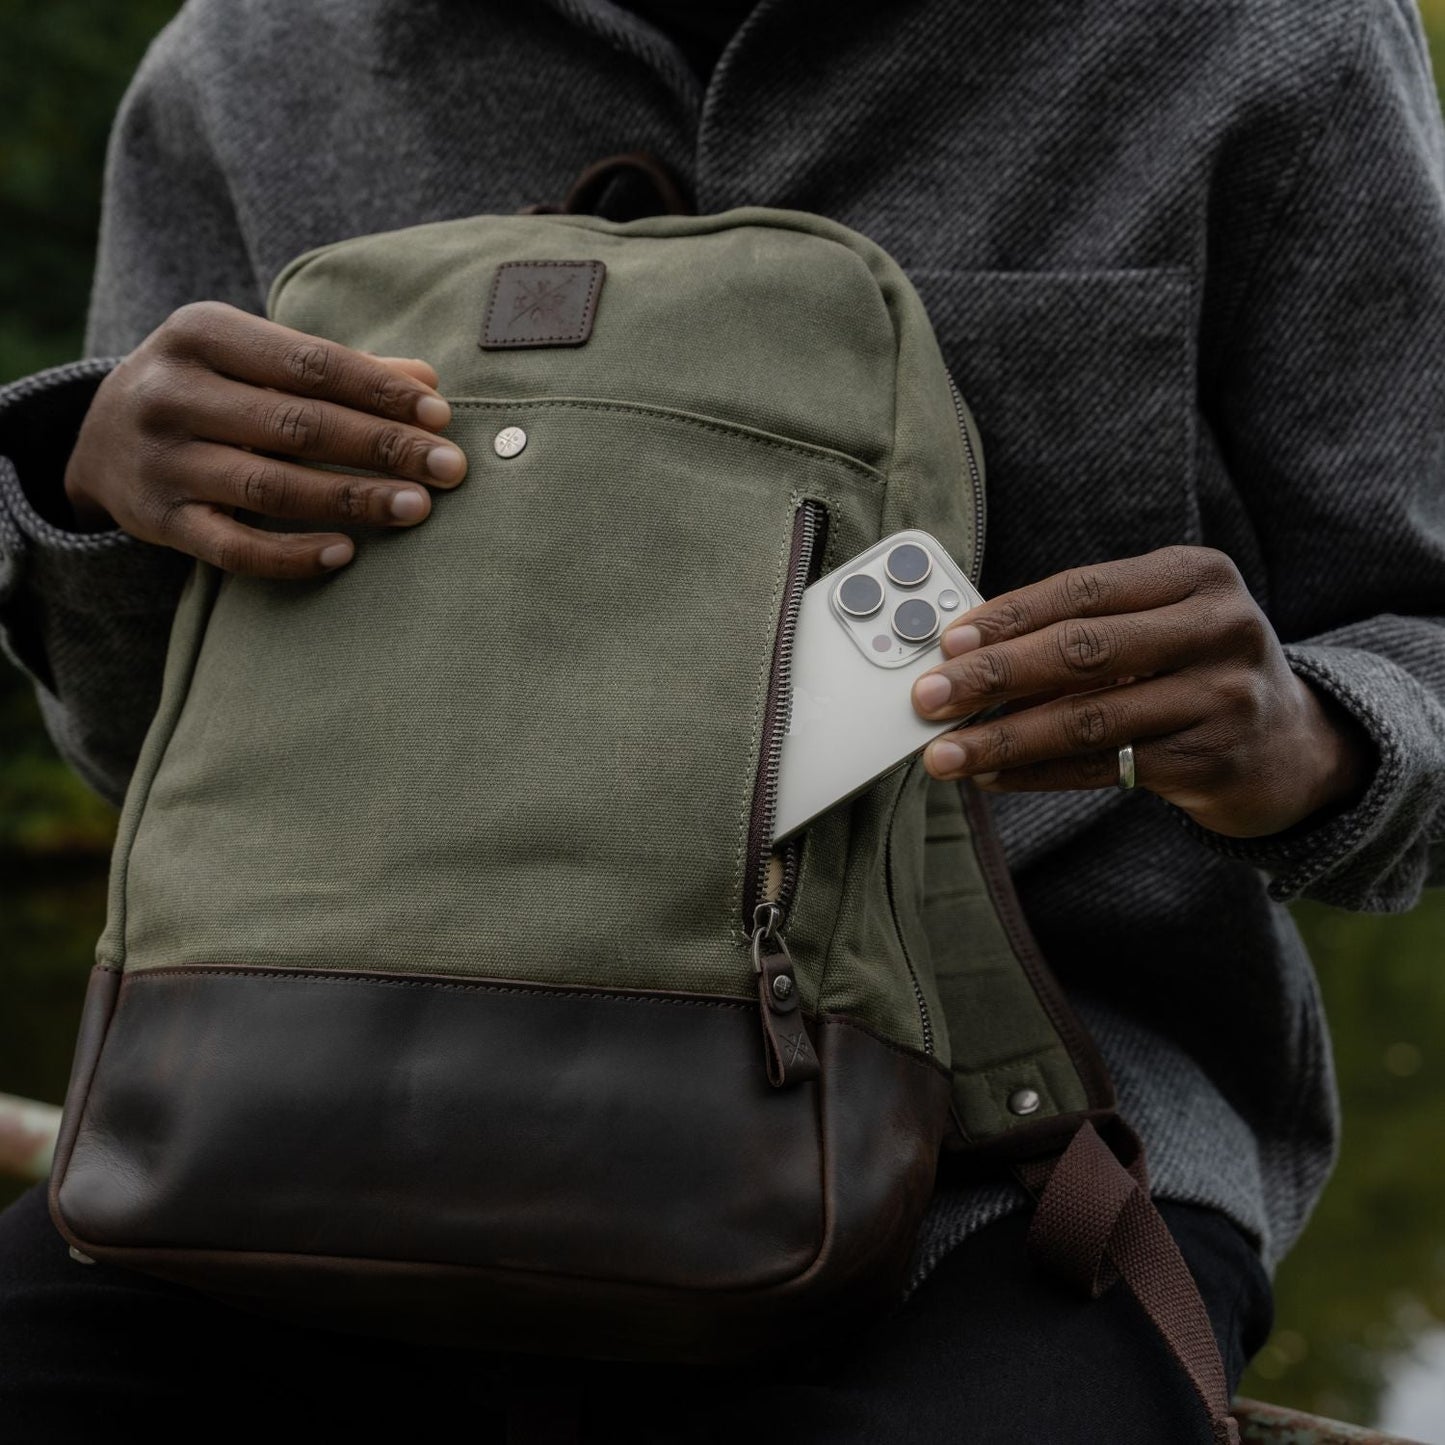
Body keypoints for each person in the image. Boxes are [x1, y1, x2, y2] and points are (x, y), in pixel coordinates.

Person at [1, 1, 1442, 1440]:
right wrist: (88, 516)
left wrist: (1315, 741)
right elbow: (145, 767)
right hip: (288, 1124)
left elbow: (1417, 631)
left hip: (1002, 1167)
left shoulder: (1255, 38)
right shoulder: (247, 62)